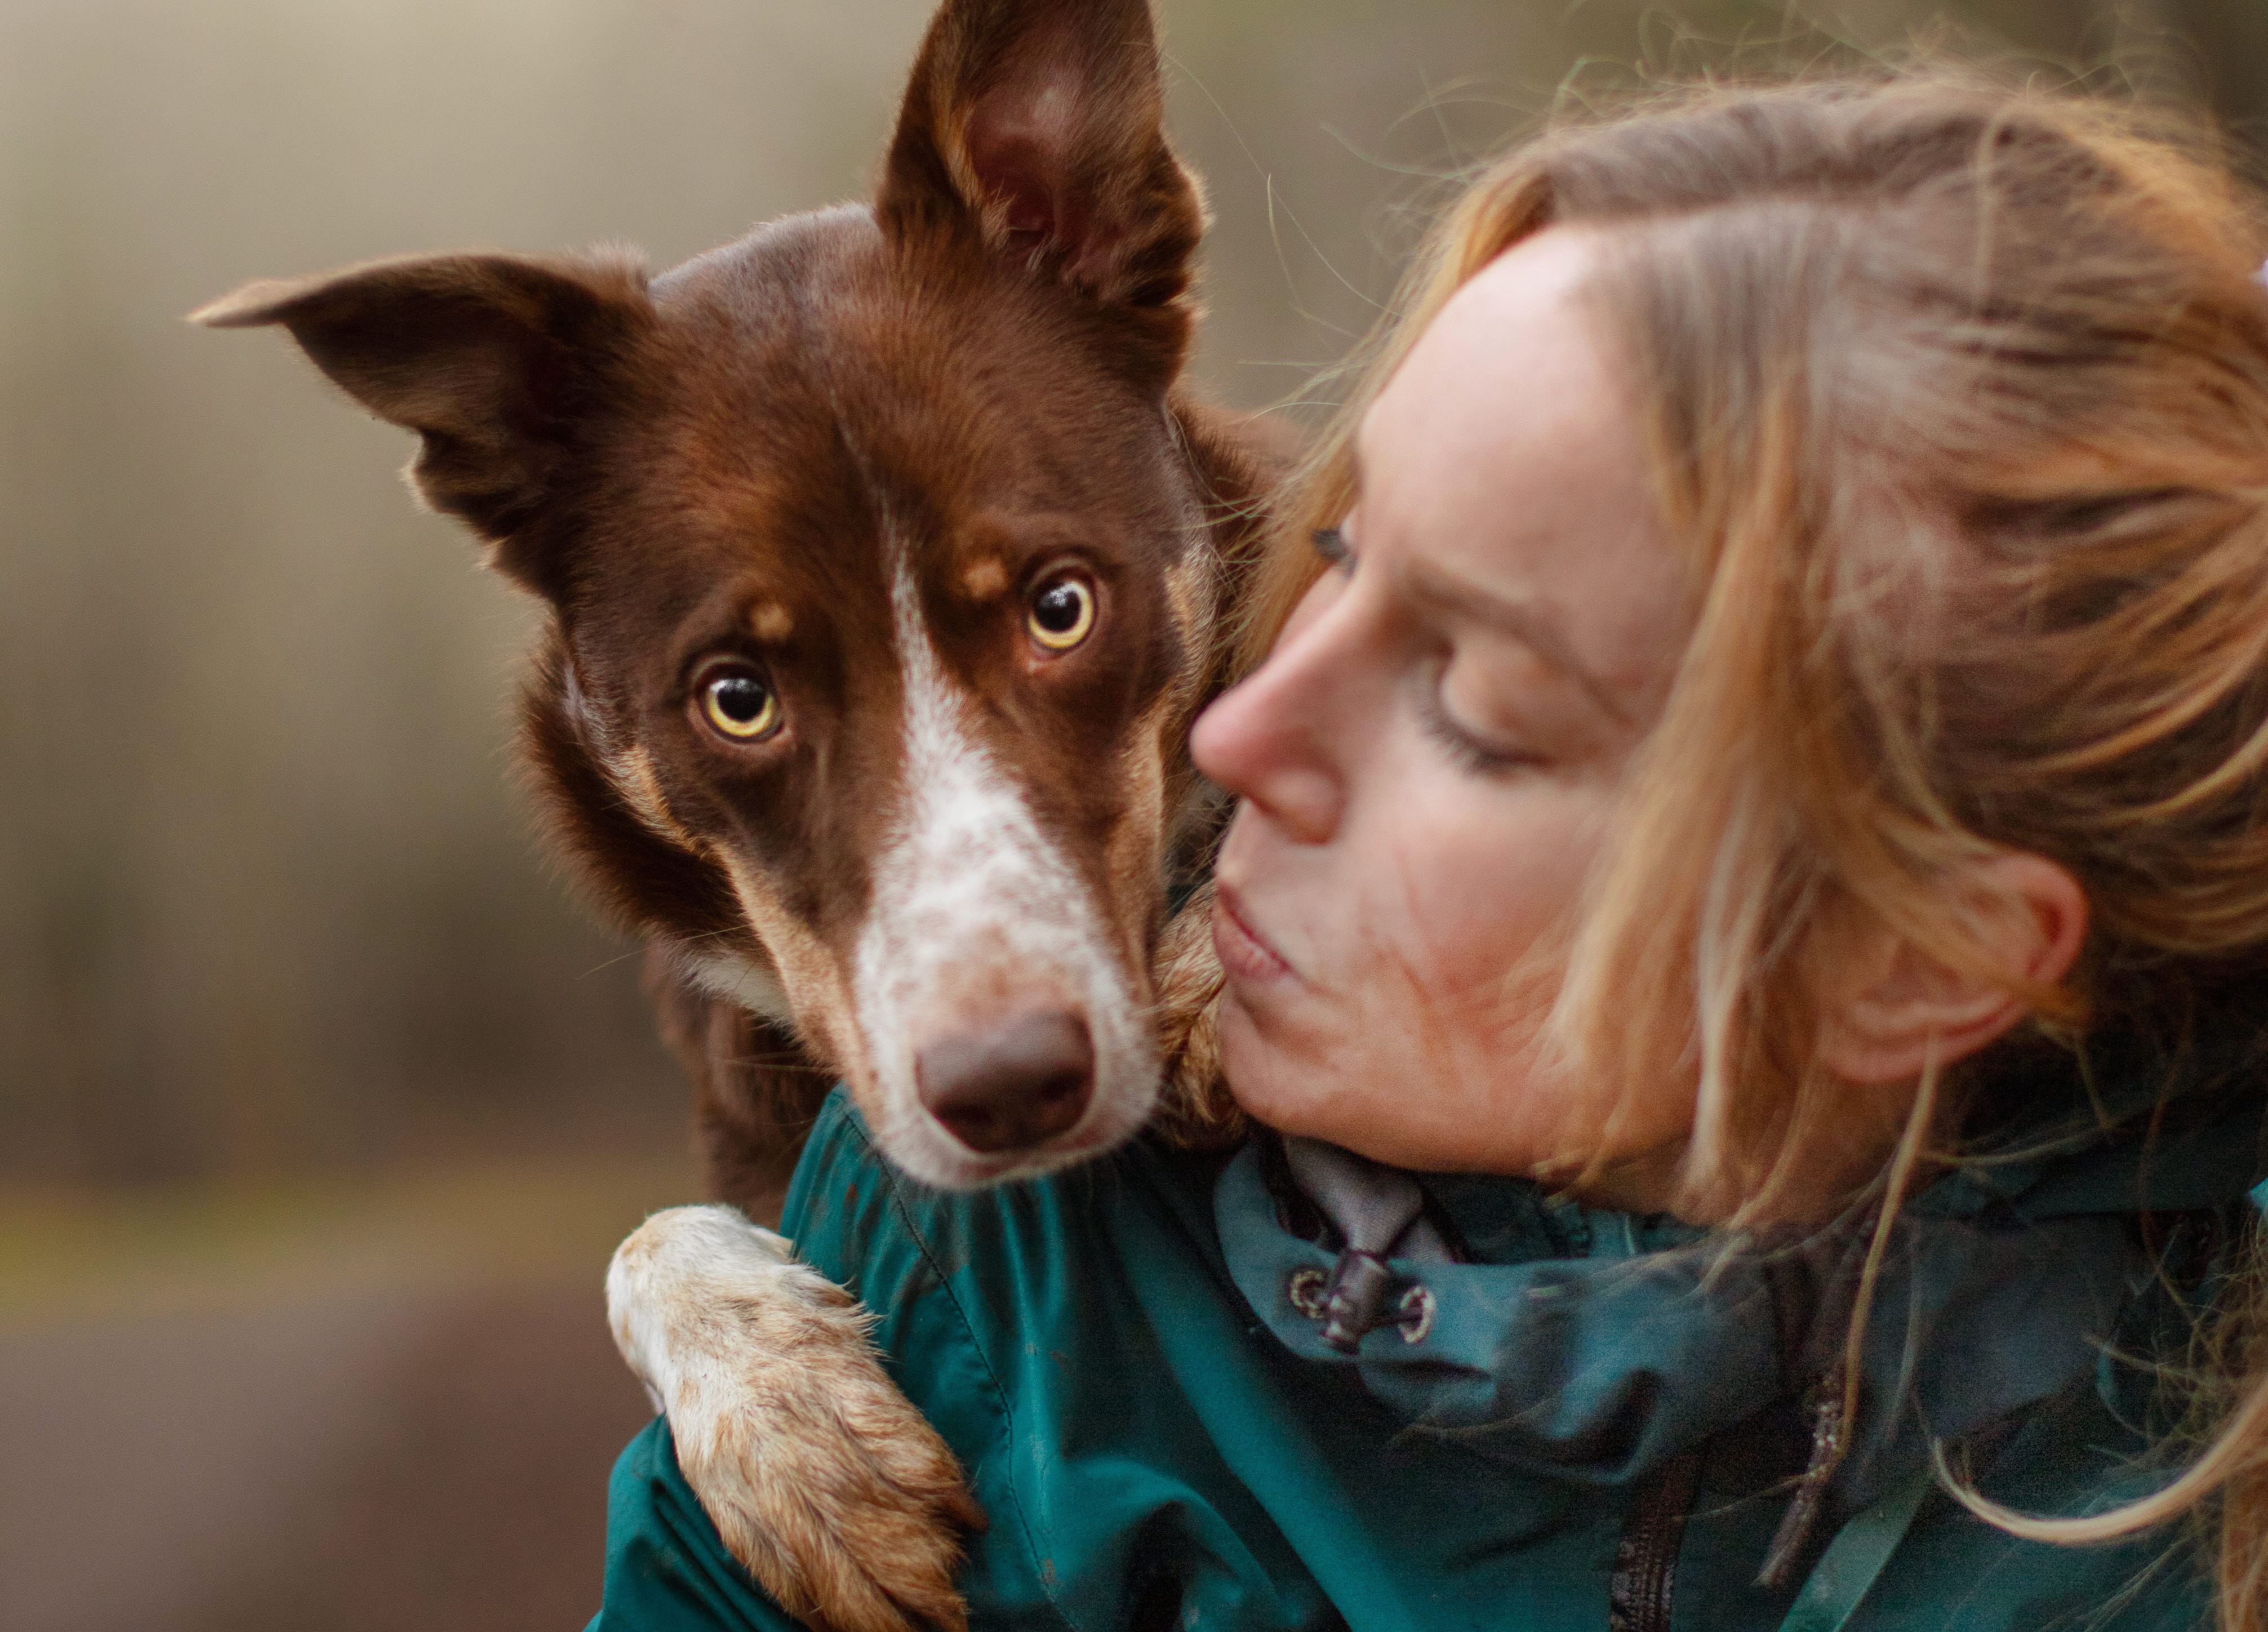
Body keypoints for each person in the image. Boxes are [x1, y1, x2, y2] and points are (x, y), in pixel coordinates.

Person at [590, 67, 2268, 1632]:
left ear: (1919, 955)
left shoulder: (2187, 1489)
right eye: (1340, 547)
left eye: (1467, 689)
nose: (1233, 735)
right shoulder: (989, 1271)